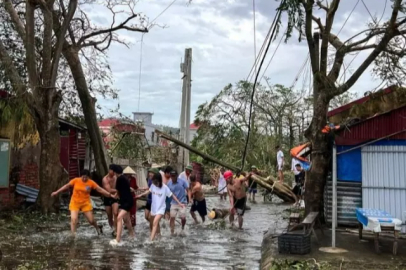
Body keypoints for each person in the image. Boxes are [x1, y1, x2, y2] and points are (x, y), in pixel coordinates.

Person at [51, 169, 115, 236]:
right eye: (83, 177)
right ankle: (73, 235)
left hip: (85, 203)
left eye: (86, 177)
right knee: (74, 219)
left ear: (88, 177)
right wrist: (56, 192)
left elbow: (100, 189)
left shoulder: (91, 183)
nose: (84, 178)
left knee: (91, 221)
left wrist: (110, 195)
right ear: (81, 176)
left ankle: (97, 227)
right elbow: (66, 186)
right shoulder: (75, 180)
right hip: (75, 202)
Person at [137, 172, 185, 241]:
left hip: (161, 209)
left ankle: (151, 240)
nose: (154, 183)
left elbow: (172, 195)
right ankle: (159, 236)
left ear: (159, 181)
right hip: (153, 208)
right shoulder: (153, 185)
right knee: (152, 222)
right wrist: (141, 195)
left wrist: (179, 203)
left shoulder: (165, 187)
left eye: (155, 182)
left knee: (155, 222)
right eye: (153, 182)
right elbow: (149, 191)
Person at [109, 165, 135, 246]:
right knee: (127, 219)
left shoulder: (119, 179)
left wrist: (113, 196)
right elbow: (126, 189)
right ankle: (132, 235)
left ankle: (118, 239)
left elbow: (117, 191)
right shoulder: (124, 177)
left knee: (119, 217)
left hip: (126, 201)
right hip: (126, 201)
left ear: (114, 172)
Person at [167, 170, 192, 235]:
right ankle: (172, 232)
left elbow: (188, 190)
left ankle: (183, 227)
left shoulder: (182, 181)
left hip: (182, 202)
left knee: (183, 218)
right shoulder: (169, 183)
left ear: (177, 176)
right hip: (173, 203)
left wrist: (189, 199)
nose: (172, 178)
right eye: (171, 176)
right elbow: (167, 193)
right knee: (172, 217)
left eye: (174, 176)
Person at [102, 164, 118, 234]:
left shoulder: (116, 177)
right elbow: (109, 190)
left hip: (115, 197)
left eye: (115, 171)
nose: (114, 173)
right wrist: (119, 190)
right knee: (109, 215)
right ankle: (112, 228)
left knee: (115, 213)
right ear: (109, 170)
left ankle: (116, 229)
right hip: (107, 197)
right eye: (113, 171)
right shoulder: (105, 179)